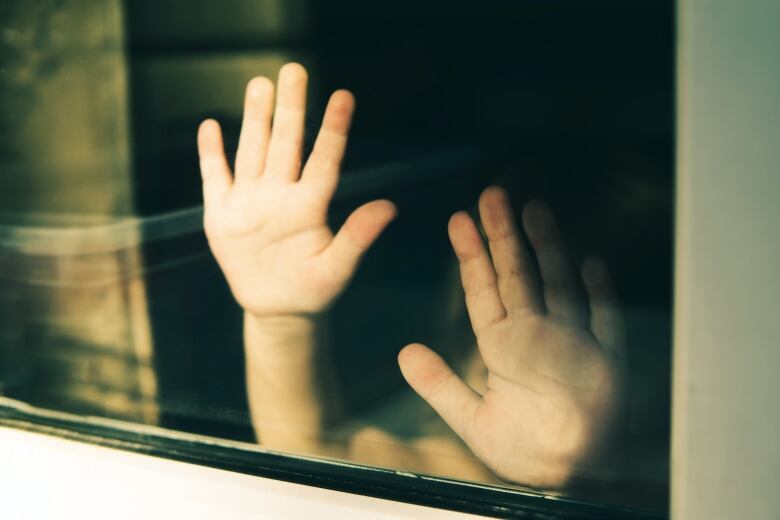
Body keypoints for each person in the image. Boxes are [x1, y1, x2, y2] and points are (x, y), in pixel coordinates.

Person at [197, 63, 627, 489]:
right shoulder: (469, 461)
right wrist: (281, 322)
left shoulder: (673, 471)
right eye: (497, 306)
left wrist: (582, 477)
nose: (537, 353)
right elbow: (316, 454)